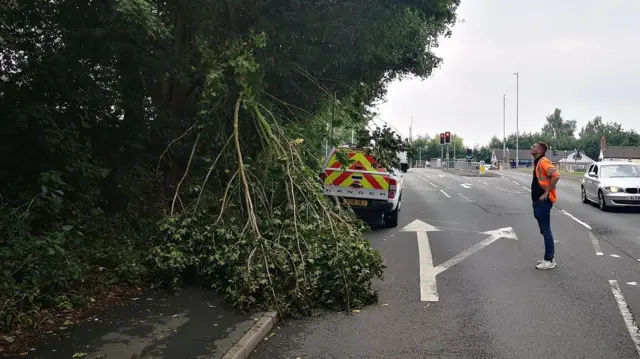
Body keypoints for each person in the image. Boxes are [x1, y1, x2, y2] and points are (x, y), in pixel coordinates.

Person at [530, 142, 560, 270]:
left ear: (540, 150)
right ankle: (549, 257)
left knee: (546, 230)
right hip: (538, 201)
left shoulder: (543, 161)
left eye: (534, 146)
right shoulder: (537, 162)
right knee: (544, 230)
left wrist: (547, 191)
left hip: (543, 201)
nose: (531, 147)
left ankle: (549, 260)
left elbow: (556, 175)